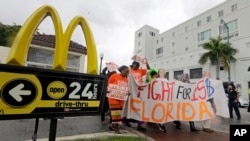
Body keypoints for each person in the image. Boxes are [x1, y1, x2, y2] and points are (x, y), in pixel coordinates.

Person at [125, 60, 150, 131]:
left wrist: (146, 63)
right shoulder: (128, 71)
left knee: (139, 107)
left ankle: (140, 125)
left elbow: (148, 69)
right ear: (132, 65)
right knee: (130, 107)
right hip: (131, 91)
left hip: (139, 91)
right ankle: (127, 121)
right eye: (136, 66)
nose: (137, 67)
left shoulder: (140, 71)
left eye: (138, 66)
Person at [108, 65, 129, 134]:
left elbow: (127, 89)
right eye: (126, 72)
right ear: (121, 70)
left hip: (121, 99)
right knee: (116, 113)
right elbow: (108, 85)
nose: (127, 73)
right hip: (113, 98)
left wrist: (127, 93)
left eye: (128, 72)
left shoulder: (126, 79)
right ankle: (116, 128)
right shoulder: (114, 76)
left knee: (119, 114)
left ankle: (112, 125)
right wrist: (107, 90)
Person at [156, 68, 168, 133]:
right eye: (160, 72)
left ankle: (162, 123)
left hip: (165, 98)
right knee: (160, 111)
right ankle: (161, 124)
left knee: (164, 111)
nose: (161, 73)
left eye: (163, 72)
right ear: (158, 73)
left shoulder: (166, 80)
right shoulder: (156, 80)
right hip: (159, 98)